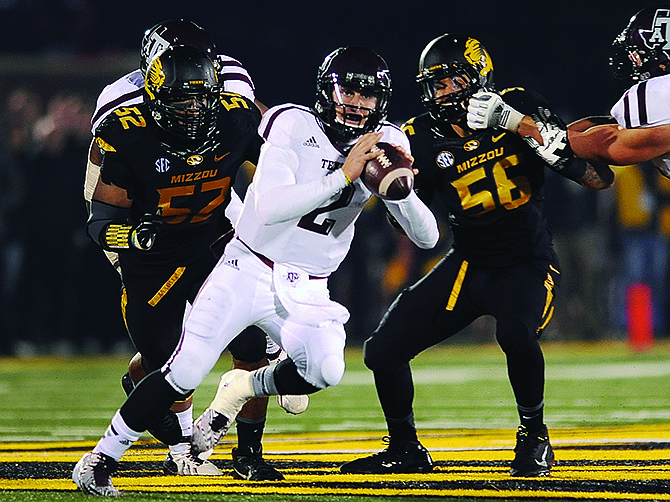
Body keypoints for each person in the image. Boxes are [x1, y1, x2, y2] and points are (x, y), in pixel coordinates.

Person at [72, 45, 439, 496]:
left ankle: (242, 387)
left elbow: (428, 238)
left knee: (324, 370)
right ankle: (98, 460)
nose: (357, 104)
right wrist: (344, 176)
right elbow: (267, 208)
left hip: (309, 285)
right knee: (183, 370)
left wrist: (400, 192)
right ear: (328, 90)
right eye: (349, 91)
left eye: (368, 96)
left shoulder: (388, 142)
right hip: (246, 268)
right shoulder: (291, 122)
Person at [339, 33, 613, 478]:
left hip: (528, 261)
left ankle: (534, 436)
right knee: (381, 351)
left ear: (479, 76)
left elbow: (598, 178)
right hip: (467, 264)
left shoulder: (518, 105)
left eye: (454, 81)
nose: (446, 93)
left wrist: (528, 129)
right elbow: (413, 217)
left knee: (516, 334)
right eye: (437, 86)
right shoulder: (419, 135)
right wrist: (396, 194)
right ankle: (405, 447)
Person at [84, 19, 305, 480]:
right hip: (150, 231)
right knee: (170, 352)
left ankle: (248, 454)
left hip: (214, 221)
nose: (192, 107)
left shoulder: (232, 101)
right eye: (180, 97)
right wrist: (125, 240)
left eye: (200, 94)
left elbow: (276, 150)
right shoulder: (121, 115)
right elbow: (101, 206)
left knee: (251, 340)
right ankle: (178, 435)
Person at [569, 5, 670, 172]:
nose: (630, 63)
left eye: (637, 55)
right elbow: (616, 127)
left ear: (664, 63)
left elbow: (603, 147)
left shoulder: (659, 91)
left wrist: (520, 124)